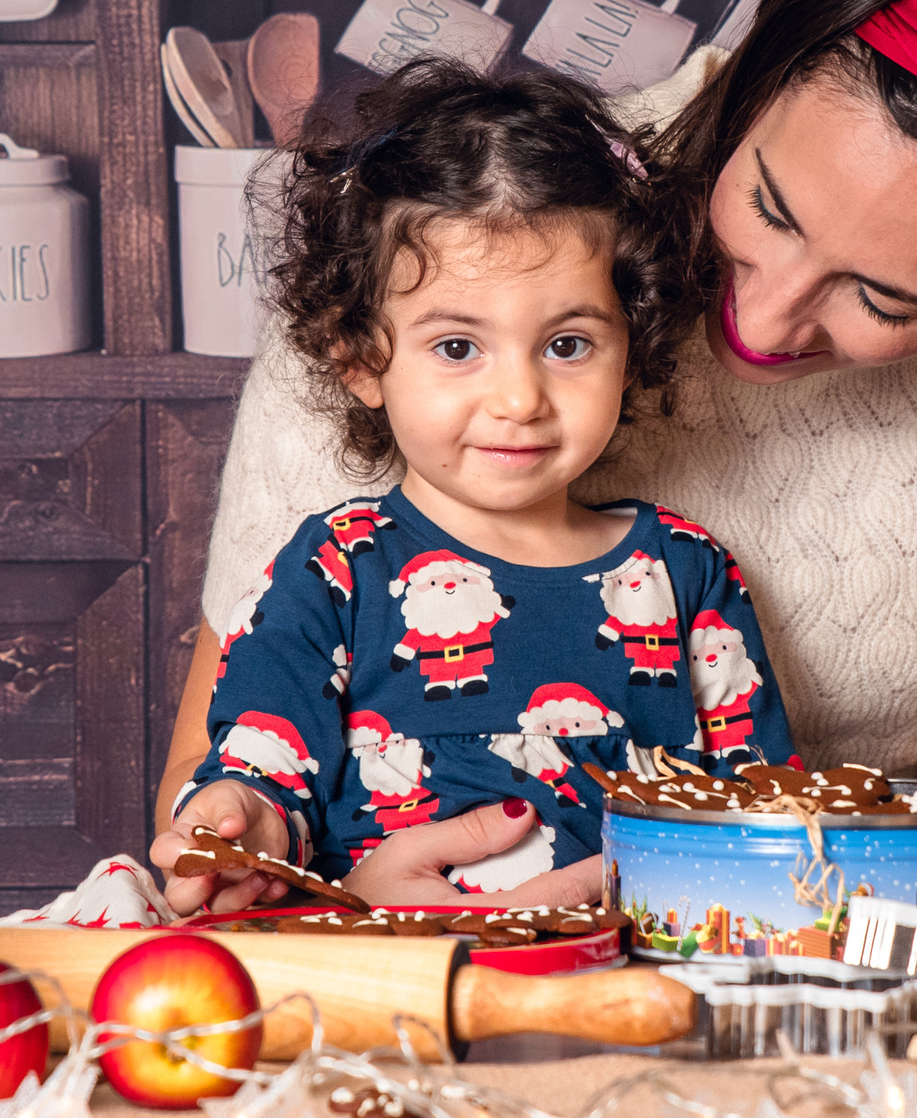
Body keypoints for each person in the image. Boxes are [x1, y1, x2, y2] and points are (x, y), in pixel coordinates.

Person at [162, 0, 917, 914]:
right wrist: (339, 900)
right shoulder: (446, 231)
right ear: (757, 72)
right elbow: (233, 780)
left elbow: (803, 795)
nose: (767, 318)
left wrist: (829, 893)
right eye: (772, 208)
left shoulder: (695, 569)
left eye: (883, 299)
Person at [153, 62, 798, 914]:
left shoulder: (688, 573)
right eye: (458, 347)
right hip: (391, 969)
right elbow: (266, 759)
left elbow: (765, 820)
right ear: (360, 358)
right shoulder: (333, 569)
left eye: (567, 345)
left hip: (631, 966)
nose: (520, 398)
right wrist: (245, 819)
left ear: (631, 348)